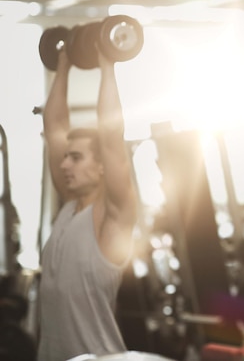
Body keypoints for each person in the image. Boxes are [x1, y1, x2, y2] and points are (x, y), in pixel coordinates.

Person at [38, 46, 138, 360]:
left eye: (76, 157)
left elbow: (111, 135)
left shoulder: (112, 217)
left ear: (102, 167)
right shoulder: (69, 208)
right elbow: (54, 128)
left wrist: (107, 66)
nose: (64, 164)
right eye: (65, 156)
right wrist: (64, 64)